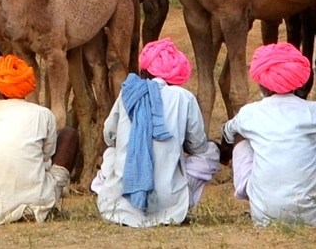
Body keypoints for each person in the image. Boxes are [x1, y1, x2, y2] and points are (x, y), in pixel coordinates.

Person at [222, 43, 316, 226]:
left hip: (263, 217)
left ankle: (254, 196)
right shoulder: (315, 112)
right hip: (311, 216)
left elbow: (228, 131)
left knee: (241, 135)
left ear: (262, 83)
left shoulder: (250, 113)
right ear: (299, 82)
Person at [92, 39, 221, 227]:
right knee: (210, 152)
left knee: (111, 152)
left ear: (144, 72)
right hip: (169, 206)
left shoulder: (126, 93)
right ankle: (177, 202)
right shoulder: (183, 97)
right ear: (177, 75)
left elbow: (109, 137)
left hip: (116, 208)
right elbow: (198, 146)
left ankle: (113, 194)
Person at [0, 55, 79, 226]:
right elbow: (48, 154)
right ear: (28, 88)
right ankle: (42, 203)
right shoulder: (43, 114)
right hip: (39, 197)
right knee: (69, 135)